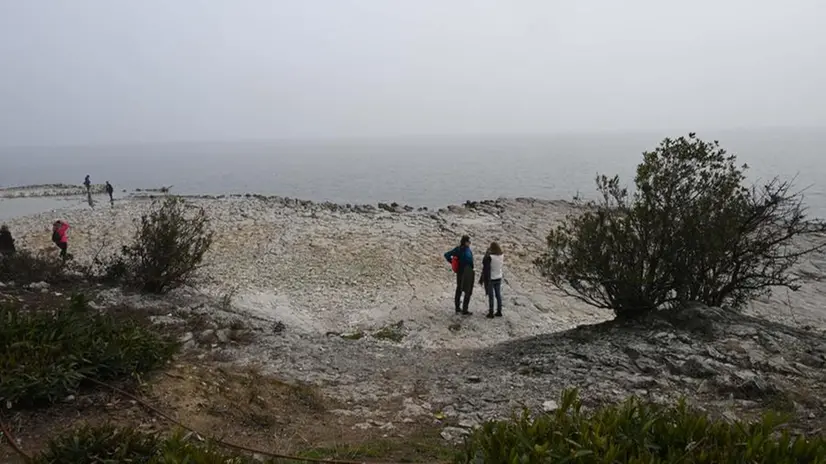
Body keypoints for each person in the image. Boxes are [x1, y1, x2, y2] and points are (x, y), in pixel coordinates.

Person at [444, 235, 474, 315]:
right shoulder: (459, 249)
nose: (470, 243)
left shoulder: (466, 249)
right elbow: (447, 255)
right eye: (468, 242)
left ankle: (462, 308)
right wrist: (453, 263)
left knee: (463, 290)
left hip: (467, 271)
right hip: (462, 271)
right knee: (461, 289)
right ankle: (460, 308)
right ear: (465, 242)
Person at [480, 242, 505, 318]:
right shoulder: (501, 255)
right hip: (499, 276)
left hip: (491, 278)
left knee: (491, 296)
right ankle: (499, 311)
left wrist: (487, 253)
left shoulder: (490, 257)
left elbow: (484, 262)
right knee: (498, 295)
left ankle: (491, 312)